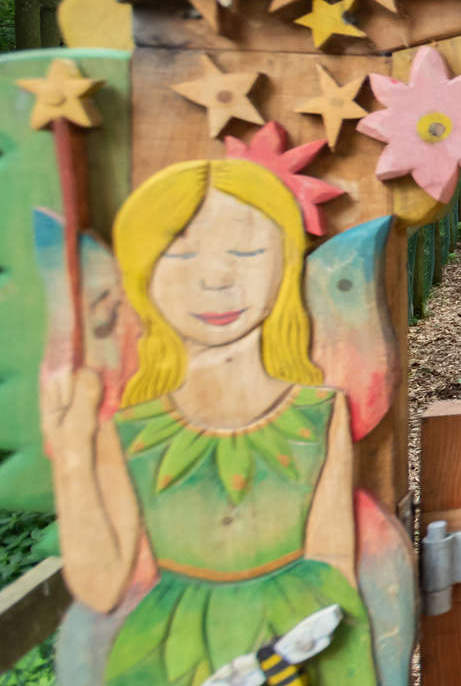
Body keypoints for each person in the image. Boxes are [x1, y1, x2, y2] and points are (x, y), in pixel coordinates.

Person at [40, 159, 376, 685]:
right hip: (165, 651)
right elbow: (102, 587)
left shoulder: (319, 412)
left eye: (245, 251)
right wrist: (73, 454)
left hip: (303, 641)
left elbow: (333, 560)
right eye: (179, 253)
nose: (216, 277)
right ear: (140, 273)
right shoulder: (127, 430)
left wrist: (285, 660)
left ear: (285, 264)